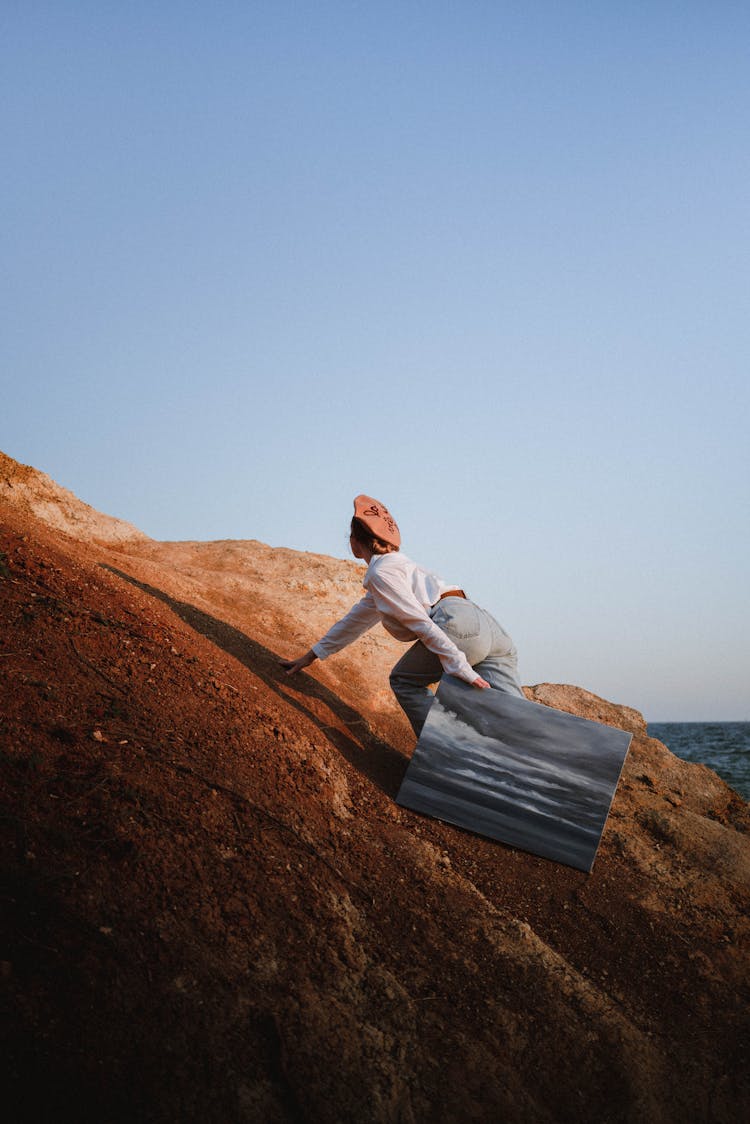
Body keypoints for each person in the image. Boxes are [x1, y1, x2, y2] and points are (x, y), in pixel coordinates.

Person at [280, 495, 524, 737]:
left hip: (457, 625)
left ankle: (448, 748)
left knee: (404, 682)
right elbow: (353, 622)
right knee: (516, 714)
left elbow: (420, 623)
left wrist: (459, 666)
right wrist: (311, 656)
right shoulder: (398, 570)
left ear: (355, 541)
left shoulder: (381, 573)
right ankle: (531, 747)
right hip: (487, 625)